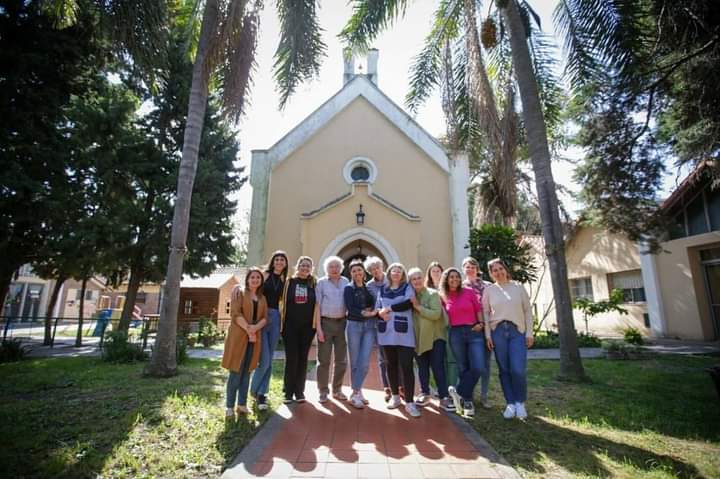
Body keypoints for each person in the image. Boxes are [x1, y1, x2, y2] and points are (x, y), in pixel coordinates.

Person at [483, 258, 534, 420]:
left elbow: (527, 311)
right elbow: (485, 314)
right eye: (494, 270)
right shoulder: (489, 290)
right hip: (498, 332)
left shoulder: (518, 287)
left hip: (516, 332)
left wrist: (529, 333)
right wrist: (488, 335)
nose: (498, 272)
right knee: (504, 370)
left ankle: (520, 402)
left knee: (518, 370)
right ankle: (510, 403)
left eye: (500, 268)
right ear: (491, 274)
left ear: (505, 269)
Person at [375, 263, 421, 418]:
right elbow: (377, 308)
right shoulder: (382, 289)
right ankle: (395, 397)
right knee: (391, 365)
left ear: (403, 274)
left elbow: (408, 303)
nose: (396, 273)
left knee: (407, 366)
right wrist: (380, 313)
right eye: (393, 270)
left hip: (404, 334)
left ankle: (409, 402)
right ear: (389, 273)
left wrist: (389, 309)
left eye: (399, 270)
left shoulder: (408, 287)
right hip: (386, 334)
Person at [439, 267, 486, 417]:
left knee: (478, 367)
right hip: (456, 333)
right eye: (451, 277)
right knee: (463, 367)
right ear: (446, 279)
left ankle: (458, 391)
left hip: (474, 331)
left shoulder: (469, 292)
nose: (454, 279)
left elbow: (479, 309)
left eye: (457, 277)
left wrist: (481, 323)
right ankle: (467, 401)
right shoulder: (443, 296)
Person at [222, 267, 268, 418]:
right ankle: (229, 406)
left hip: (254, 338)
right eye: (252, 277)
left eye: (258, 278)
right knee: (236, 371)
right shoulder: (239, 293)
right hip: (239, 335)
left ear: (261, 281)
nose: (255, 280)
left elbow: (265, 318)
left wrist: (255, 329)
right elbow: (235, 314)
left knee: (247, 371)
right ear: (247, 279)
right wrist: (249, 329)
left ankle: (241, 404)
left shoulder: (262, 298)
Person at [408, 267, 453, 411]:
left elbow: (435, 314)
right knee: (422, 367)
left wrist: (417, 307)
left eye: (419, 277)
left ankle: (444, 396)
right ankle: (425, 393)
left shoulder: (433, 294)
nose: (416, 281)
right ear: (410, 282)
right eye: (413, 279)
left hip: (435, 337)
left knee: (438, 367)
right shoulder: (409, 296)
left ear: (423, 278)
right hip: (418, 338)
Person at [250, 250, 288, 410]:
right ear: (273, 262)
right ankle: (254, 390)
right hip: (261, 317)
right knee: (264, 359)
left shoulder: (284, 280)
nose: (279, 262)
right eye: (277, 259)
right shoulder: (264, 275)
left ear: (285, 264)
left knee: (269, 358)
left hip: (275, 317)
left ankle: (262, 394)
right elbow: (250, 287)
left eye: (282, 260)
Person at [280, 256, 321, 404]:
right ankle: (288, 392)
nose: (305, 268)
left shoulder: (314, 283)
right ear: (298, 266)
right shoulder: (289, 282)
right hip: (289, 327)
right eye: (302, 265)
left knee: (303, 359)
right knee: (292, 358)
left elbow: (318, 303)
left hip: (308, 328)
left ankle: (299, 392)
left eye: (308, 266)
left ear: (311, 268)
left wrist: (316, 326)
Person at [344, 260, 378, 409]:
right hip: (354, 326)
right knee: (355, 361)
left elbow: (373, 303)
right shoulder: (348, 289)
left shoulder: (368, 288)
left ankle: (355, 391)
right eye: (354, 271)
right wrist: (366, 313)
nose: (357, 273)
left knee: (364, 362)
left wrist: (371, 312)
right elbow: (350, 308)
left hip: (369, 327)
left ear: (364, 272)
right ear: (351, 274)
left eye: (359, 270)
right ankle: (357, 392)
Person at [316, 256, 350, 403]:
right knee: (324, 360)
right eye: (331, 266)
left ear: (341, 268)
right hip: (325, 323)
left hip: (342, 324)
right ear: (326, 269)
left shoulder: (346, 282)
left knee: (341, 360)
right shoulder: (321, 283)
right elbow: (317, 306)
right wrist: (318, 328)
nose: (334, 269)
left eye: (337, 266)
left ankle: (337, 389)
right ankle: (323, 391)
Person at [462, 256, 493, 410]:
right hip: (470, 330)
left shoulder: (488, 286)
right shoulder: (460, 287)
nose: (470, 269)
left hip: (486, 329)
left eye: (472, 266)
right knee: (472, 365)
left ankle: (484, 396)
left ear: (477, 269)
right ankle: (470, 394)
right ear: (463, 269)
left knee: (486, 365)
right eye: (467, 267)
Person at [364, 256, 392, 401]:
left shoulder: (392, 280)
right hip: (379, 323)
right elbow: (370, 303)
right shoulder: (369, 286)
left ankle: (399, 386)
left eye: (377, 268)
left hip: (393, 322)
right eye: (372, 269)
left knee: (395, 356)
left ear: (382, 267)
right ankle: (386, 387)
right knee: (383, 358)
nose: (375, 271)